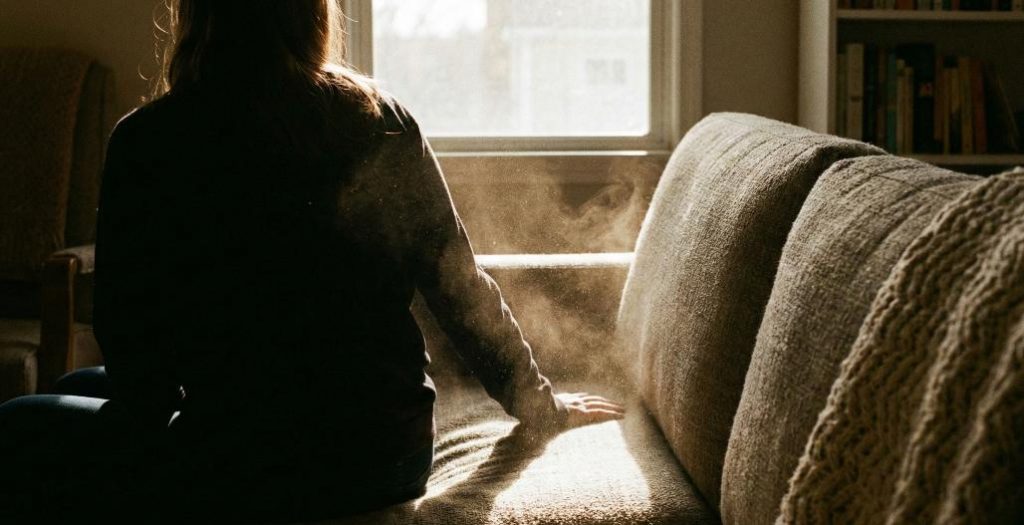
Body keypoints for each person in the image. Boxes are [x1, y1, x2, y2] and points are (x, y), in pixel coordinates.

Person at [0, 0, 623, 522]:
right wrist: (541, 406)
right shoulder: (379, 118)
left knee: (20, 421)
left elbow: (138, 359)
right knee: (78, 387)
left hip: (250, 469)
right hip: (387, 453)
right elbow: (460, 287)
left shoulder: (150, 139)